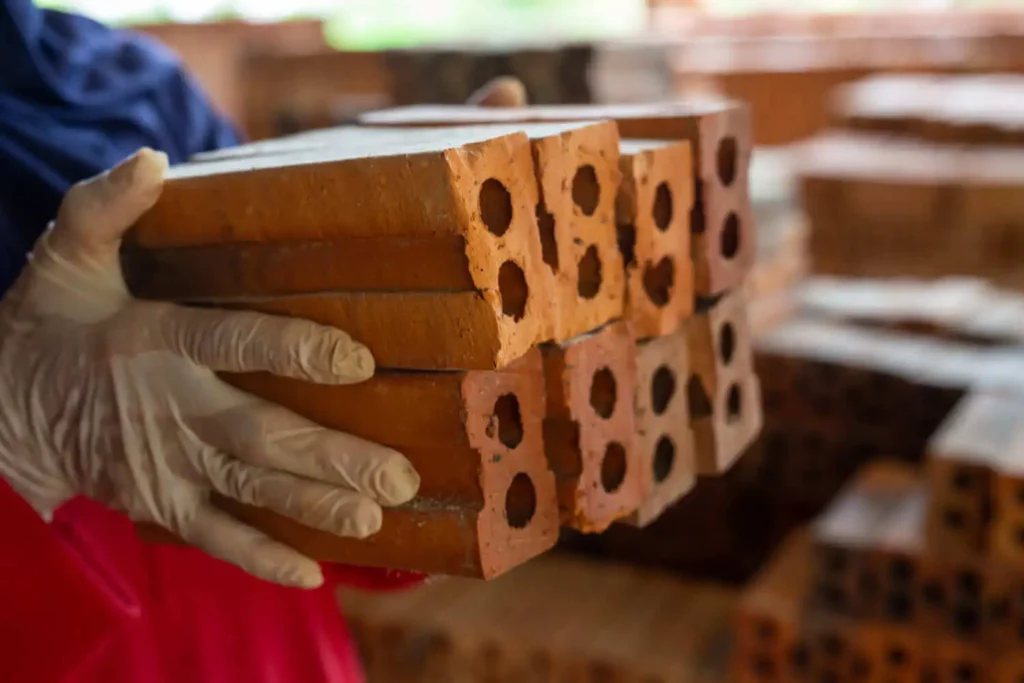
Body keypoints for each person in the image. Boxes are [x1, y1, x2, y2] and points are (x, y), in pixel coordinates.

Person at [0, 1, 526, 681]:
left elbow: (277, 423)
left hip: (267, 649)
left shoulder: (125, 81)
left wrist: (412, 328)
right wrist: (17, 441)